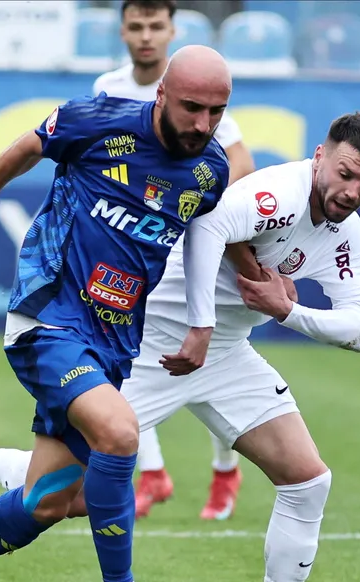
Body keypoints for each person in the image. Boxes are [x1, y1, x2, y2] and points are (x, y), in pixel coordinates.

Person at [0, 114, 360, 582]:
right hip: (155, 350)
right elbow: (206, 225)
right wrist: (201, 324)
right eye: (345, 174)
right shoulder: (276, 193)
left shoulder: (345, 232)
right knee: (63, 498)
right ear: (319, 157)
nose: (353, 191)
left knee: (308, 480)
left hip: (227, 356)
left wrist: (286, 310)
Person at [0, 45, 233, 582]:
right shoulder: (99, 119)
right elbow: (26, 148)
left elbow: (208, 232)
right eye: (192, 107)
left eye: (216, 112)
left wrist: (204, 321)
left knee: (52, 503)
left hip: (113, 343)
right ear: (162, 95)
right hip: (47, 316)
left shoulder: (209, 171)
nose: (203, 124)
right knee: (120, 434)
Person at [95, 0, 257, 522]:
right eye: (136, 26)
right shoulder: (108, 88)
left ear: (171, 31)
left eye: (155, 26)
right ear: (122, 31)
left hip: (191, 248)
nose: (146, 36)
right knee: (126, 359)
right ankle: (153, 473)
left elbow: (241, 164)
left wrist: (195, 206)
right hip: (132, 246)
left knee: (212, 357)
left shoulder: (196, 91)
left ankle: (224, 468)